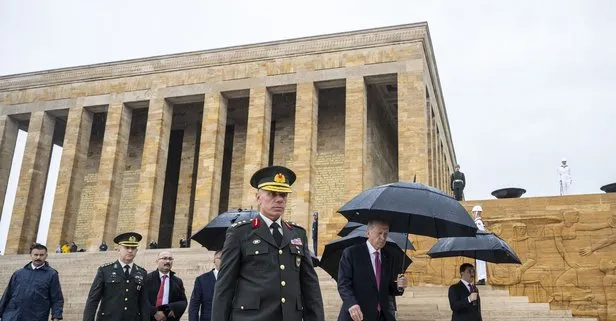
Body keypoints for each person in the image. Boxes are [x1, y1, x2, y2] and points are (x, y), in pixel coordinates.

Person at [211, 165, 324, 321]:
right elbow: (224, 286)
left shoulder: (297, 233)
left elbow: (310, 286)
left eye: (283, 195)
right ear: (258, 198)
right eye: (272, 194)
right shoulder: (240, 233)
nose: (279, 199)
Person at [337, 219, 407, 321]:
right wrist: (352, 304)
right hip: (357, 315)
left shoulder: (389, 257)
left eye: (386, 234)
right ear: (368, 233)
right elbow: (343, 284)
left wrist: (399, 286)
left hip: (382, 316)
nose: (383, 238)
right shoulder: (351, 253)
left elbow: (387, 288)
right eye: (379, 233)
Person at [83, 232, 149, 321]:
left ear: (136, 250)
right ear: (118, 249)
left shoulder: (141, 272)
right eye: (126, 247)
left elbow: (144, 303)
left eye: (133, 248)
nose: (130, 250)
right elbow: (93, 299)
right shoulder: (105, 270)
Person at [0, 243, 64, 321]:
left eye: (41, 255)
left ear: (46, 256)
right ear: (31, 255)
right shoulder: (19, 273)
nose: (38, 257)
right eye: (36, 254)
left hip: (36, 316)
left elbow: (57, 298)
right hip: (12, 316)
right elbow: (7, 294)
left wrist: (56, 316)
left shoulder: (52, 274)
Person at [145, 250, 187, 321]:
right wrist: (155, 312)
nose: (167, 261)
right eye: (164, 258)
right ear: (157, 261)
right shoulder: (147, 279)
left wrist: (170, 309)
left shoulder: (177, 281)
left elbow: (183, 301)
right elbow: (141, 300)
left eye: (170, 259)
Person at [188, 251, 221, 321]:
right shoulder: (202, 280)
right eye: (220, 258)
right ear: (214, 261)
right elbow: (194, 305)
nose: (224, 260)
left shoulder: (235, 278)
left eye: (226, 258)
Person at [471, 206, 487, 285]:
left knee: (480, 262)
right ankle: (481, 278)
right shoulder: (479, 222)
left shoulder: (478, 222)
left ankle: (482, 278)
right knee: (479, 261)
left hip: (479, 244)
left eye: (474, 212)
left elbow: (479, 233)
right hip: (479, 244)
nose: (473, 214)